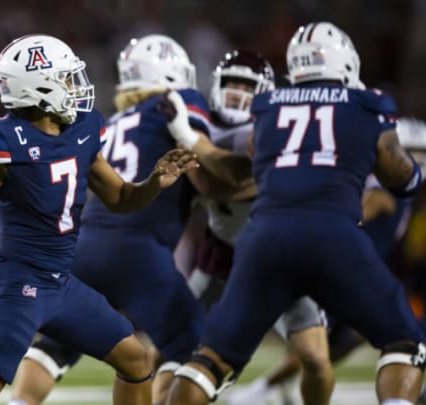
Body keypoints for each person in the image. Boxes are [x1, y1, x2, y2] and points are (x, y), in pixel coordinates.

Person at [0, 34, 197, 405]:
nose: (74, 87)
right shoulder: (2, 137)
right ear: (40, 88)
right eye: (64, 79)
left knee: (135, 358)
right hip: (17, 283)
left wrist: (153, 183)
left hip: (61, 282)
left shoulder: (82, 129)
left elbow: (121, 198)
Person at [165, 21, 425, 405]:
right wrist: (413, 174)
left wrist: (193, 140)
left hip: (263, 241)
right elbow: (399, 175)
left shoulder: (268, 107)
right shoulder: (368, 104)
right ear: (346, 63)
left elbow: (243, 164)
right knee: (405, 342)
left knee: (211, 360)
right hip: (334, 236)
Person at [8, 34, 207, 405]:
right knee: (190, 346)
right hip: (138, 249)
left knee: (56, 345)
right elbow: (202, 160)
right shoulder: (177, 103)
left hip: (83, 248)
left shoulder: (114, 122)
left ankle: (18, 402)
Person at [228, 117, 426, 405]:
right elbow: (348, 217)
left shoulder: (394, 193)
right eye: (415, 152)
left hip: (356, 274)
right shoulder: (382, 193)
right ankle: (258, 391)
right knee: (400, 332)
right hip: (347, 274)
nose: (418, 159)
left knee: (343, 342)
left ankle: (265, 388)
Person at [182, 50, 334, 405]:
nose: (236, 92)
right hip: (220, 255)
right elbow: (208, 186)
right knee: (173, 346)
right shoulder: (199, 124)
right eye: (231, 83)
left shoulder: (278, 125)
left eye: (246, 85)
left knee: (314, 357)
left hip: (279, 255)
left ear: (264, 90)